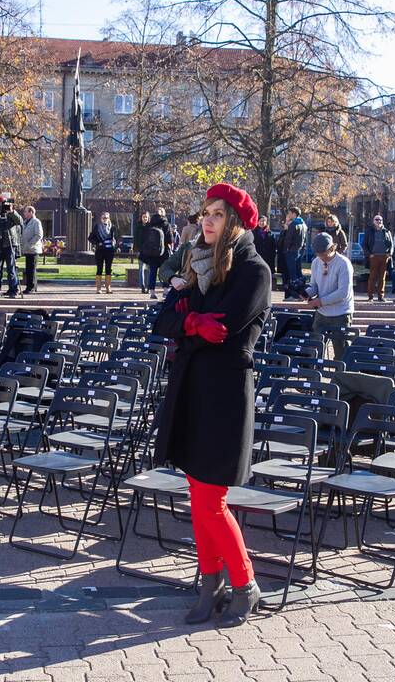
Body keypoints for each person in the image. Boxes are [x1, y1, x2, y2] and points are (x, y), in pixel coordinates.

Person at [154, 182, 270, 628]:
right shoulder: (200, 265)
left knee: (209, 498)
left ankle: (245, 584)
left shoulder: (254, 272)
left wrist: (189, 319)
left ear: (235, 223)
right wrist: (188, 320)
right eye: (205, 212)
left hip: (224, 395)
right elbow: (165, 320)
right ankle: (211, 583)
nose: (207, 220)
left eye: (218, 214)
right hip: (193, 390)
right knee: (197, 494)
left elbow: (223, 330)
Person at [302, 232, 354, 360]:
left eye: (323, 254)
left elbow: (343, 293)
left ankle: (341, 377)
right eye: (318, 254)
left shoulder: (343, 263)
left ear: (332, 248)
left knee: (341, 350)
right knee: (316, 347)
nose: (321, 257)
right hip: (322, 313)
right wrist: (306, 293)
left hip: (341, 313)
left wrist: (320, 301)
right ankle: (315, 373)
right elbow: (314, 285)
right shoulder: (315, 262)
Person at [0, 195, 24, 298]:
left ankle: (13, 290)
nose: (3, 206)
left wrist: (12, 211)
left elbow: (20, 221)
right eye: (1, 203)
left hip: (10, 243)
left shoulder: (11, 213)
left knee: (11, 268)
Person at [139, 212, 170, 299]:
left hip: (151, 254)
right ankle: (165, 291)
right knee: (165, 272)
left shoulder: (148, 227)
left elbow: (142, 240)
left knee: (152, 272)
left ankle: (152, 292)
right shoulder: (166, 225)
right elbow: (170, 239)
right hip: (164, 253)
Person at [88, 211, 119, 294]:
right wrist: (98, 243)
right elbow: (90, 238)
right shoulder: (97, 227)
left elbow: (117, 237)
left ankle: (108, 287)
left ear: (109, 219)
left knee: (108, 269)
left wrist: (115, 244)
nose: (105, 219)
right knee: (99, 269)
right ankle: (98, 288)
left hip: (110, 251)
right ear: (101, 219)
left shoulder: (113, 227)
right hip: (100, 251)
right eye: (103, 218)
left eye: (107, 218)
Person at [364, 214, 393, 302]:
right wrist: (369, 254)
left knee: (382, 277)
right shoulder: (369, 231)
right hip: (374, 257)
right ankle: (370, 296)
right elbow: (364, 244)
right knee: (372, 277)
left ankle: (381, 296)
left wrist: (389, 254)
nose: (378, 221)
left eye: (380, 220)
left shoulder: (387, 231)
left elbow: (391, 244)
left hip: (384, 257)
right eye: (377, 219)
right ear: (373, 221)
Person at [281, 207, 308, 300]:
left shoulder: (293, 224)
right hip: (299, 251)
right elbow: (305, 240)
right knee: (298, 273)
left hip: (291, 251)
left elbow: (288, 239)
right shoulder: (304, 224)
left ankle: (295, 295)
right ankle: (302, 294)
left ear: (293, 214)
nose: (288, 215)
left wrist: (286, 249)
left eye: (289, 213)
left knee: (293, 275)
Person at [19, 204, 43, 294]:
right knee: (29, 269)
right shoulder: (25, 222)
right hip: (27, 249)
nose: (24, 213)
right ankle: (32, 286)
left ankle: (31, 287)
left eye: (25, 211)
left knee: (31, 269)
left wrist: (30, 243)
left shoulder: (36, 222)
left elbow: (39, 235)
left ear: (31, 212)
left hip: (33, 249)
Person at [133, 210, 151, 293]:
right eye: (144, 217)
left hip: (149, 251)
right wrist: (136, 249)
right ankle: (142, 286)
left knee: (149, 269)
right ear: (141, 218)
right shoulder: (138, 227)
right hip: (141, 250)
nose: (145, 218)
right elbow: (135, 239)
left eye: (146, 217)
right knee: (141, 269)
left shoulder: (150, 227)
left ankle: (148, 286)